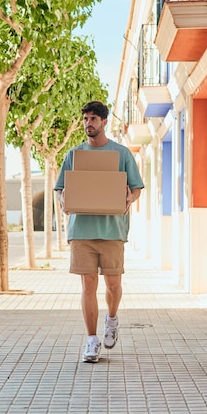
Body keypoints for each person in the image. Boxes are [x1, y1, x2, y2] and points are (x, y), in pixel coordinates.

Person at [54, 101, 144, 363]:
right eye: (85, 119)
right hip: (81, 229)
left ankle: (112, 319)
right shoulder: (73, 154)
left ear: (104, 122)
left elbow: (136, 187)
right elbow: (60, 188)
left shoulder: (121, 154)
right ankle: (91, 340)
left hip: (112, 229)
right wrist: (62, 199)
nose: (88, 123)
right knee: (88, 284)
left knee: (113, 285)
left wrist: (131, 197)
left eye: (93, 118)